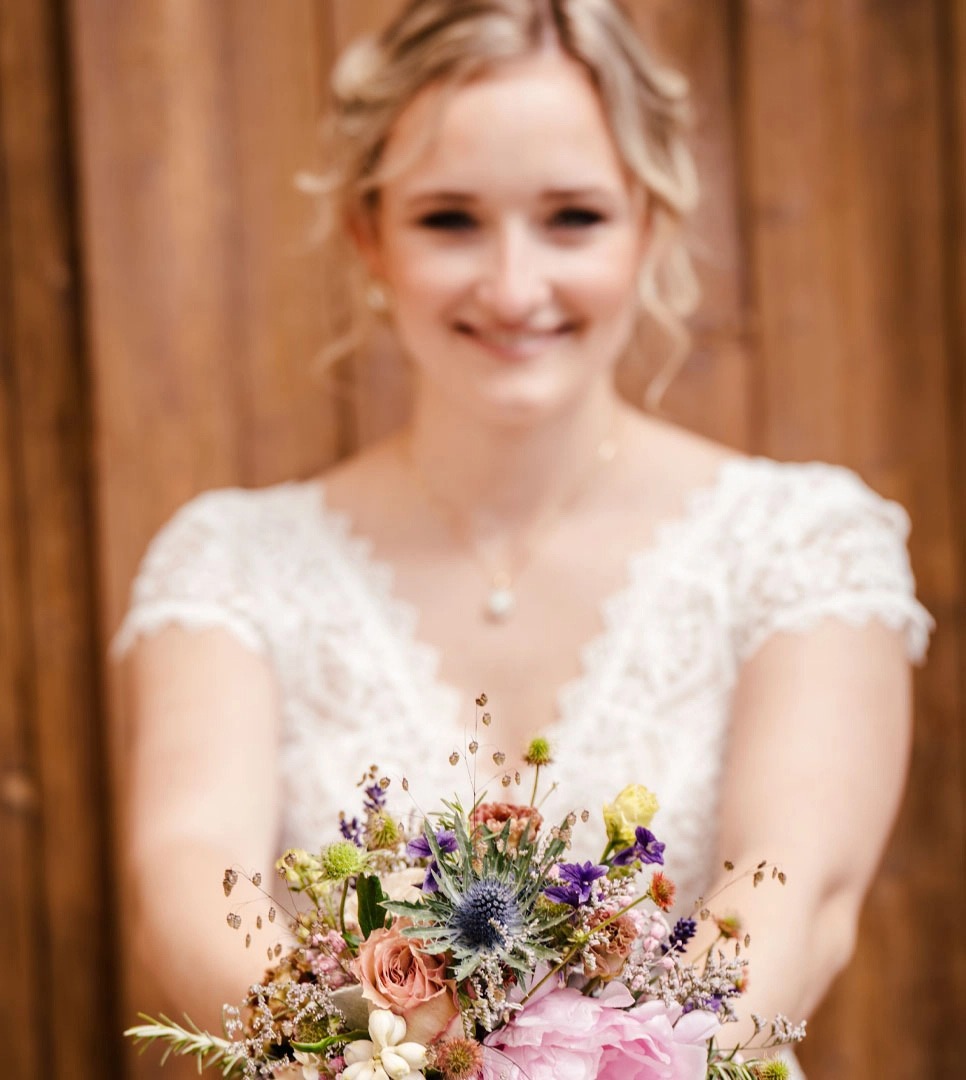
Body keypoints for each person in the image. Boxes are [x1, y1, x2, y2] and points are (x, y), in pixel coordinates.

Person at [113, 2, 933, 1077]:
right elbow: (183, 874)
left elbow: (802, 895)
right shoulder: (231, 563)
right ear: (369, 234)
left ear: (650, 220)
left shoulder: (803, 544)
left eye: (573, 217)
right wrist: (383, 1053)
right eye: (449, 219)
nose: (512, 285)